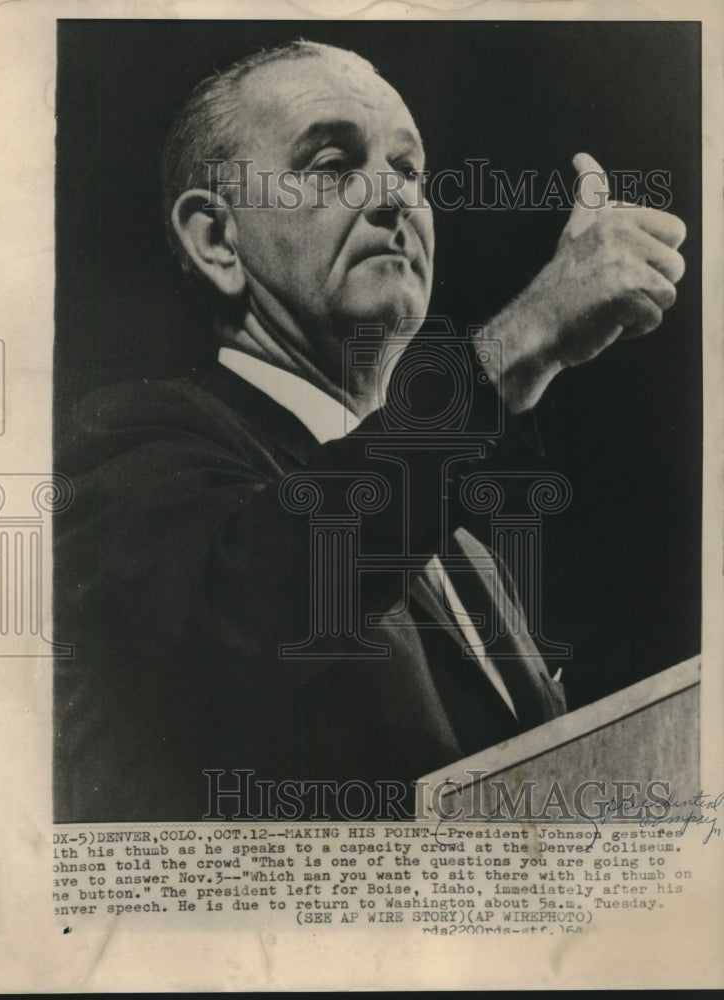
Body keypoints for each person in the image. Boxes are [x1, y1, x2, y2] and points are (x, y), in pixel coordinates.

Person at [53, 41, 686, 822]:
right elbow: (270, 597)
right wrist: (522, 342)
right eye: (330, 163)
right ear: (216, 241)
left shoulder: (464, 556)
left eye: (409, 169)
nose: (394, 197)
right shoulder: (127, 441)